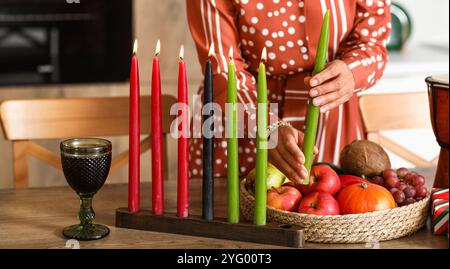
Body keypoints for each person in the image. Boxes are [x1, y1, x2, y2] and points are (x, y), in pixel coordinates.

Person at [187, 0, 391, 184]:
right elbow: (223, 69)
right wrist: (264, 125)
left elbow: (372, 43)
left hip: (330, 118)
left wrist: (352, 72)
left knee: (333, 220)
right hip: (239, 119)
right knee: (233, 216)